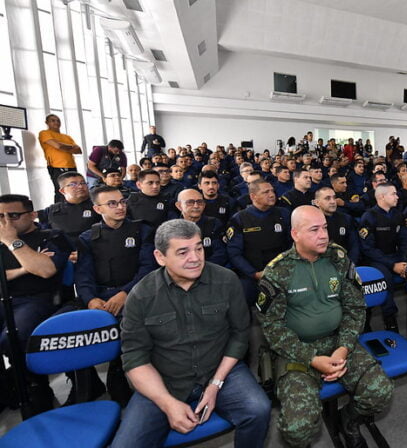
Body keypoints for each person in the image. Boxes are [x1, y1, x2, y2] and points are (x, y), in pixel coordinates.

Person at [111, 220, 270, 447]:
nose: (195, 258)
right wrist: (167, 403)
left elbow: (239, 335)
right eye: (183, 252)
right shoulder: (141, 296)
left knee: (258, 409)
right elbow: (135, 359)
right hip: (165, 380)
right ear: (160, 257)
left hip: (220, 370)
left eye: (199, 248)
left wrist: (215, 383)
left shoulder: (226, 280)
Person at [258, 206, 393, 448]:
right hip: (297, 349)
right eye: (314, 230)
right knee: (297, 429)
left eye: (325, 228)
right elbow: (272, 329)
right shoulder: (277, 271)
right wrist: (311, 358)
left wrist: (343, 348)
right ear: (295, 234)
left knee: (379, 393)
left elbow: (355, 309)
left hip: (338, 341)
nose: (323, 235)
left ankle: (348, 422)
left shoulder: (338, 258)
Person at [74, 186, 156, 406]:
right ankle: (85, 387)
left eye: (122, 202)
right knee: (72, 329)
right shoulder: (87, 237)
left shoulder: (143, 231)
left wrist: (125, 293)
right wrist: (91, 299)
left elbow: (148, 268)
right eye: (112, 204)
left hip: (136, 292)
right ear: (97, 208)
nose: (120, 207)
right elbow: (83, 275)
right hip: (100, 296)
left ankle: (118, 373)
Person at [0, 194, 72, 413]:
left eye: (13, 215)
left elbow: (45, 270)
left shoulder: (52, 236)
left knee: (12, 338)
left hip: (40, 298)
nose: (6, 223)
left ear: (32, 215)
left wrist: (13, 242)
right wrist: (25, 268)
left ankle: (35, 386)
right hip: (5, 298)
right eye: (0, 217)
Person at [226, 180, 292, 306]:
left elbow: (292, 245)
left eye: (272, 191)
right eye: (266, 192)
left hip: (282, 271)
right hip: (252, 274)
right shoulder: (239, 219)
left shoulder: (284, 214)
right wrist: (254, 274)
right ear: (253, 196)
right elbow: (234, 254)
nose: (272, 194)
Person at [358, 183, 407, 332]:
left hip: (395, 256)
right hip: (376, 259)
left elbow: (404, 241)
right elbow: (368, 249)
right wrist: (393, 264)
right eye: (393, 194)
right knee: (385, 277)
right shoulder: (369, 217)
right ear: (381, 196)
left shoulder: (398, 215)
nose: (397, 196)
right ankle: (390, 317)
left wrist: (403, 261)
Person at [37, 171, 101, 248]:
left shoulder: (99, 205)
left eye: (83, 183)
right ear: (62, 191)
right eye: (73, 184)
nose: (80, 186)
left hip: (93, 249)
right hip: (63, 253)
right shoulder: (51, 210)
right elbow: (45, 235)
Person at [175, 189, 227, 265]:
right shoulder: (173, 228)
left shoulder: (214, 223)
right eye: (190, 202)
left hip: (210, 269)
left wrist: (201, 268)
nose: (196, 206)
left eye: (200, 202)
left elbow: (220, 253)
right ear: (179, 206)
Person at [38, 114, 82, 203]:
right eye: (53, 120)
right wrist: (71, 147)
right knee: (61, 191)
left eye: (58, 120)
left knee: (74, 189)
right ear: (47, 123)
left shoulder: (67, 137)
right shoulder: (44, 133)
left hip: (71, 166)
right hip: (56, 167)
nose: (56, 122)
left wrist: (63, 146)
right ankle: (59, 212)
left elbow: (79, 150)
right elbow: (58, 146)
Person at [313, 186, 360, 263]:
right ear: (317, 202)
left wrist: (350, 264)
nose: (333, 201)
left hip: (344, 263)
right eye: (327, 198)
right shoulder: (311, 221)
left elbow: (354, 246)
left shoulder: (346, 219)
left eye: (334, 198)